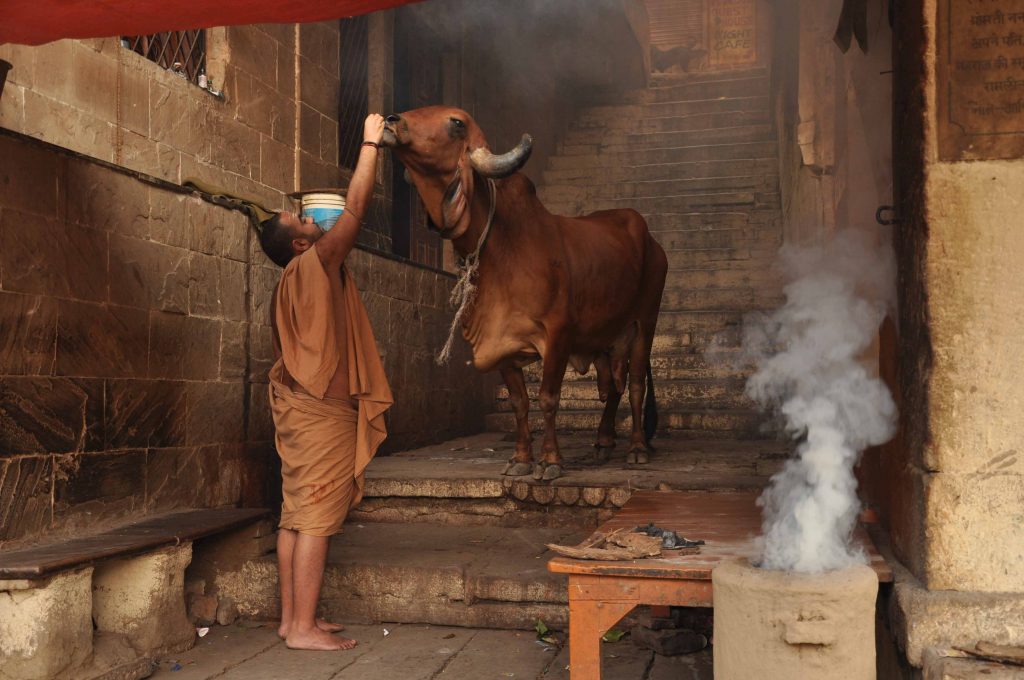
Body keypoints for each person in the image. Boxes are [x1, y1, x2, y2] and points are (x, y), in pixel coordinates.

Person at [258, 113, 393, 651]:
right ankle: (303, 631)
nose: (312, 218)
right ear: (298, 244)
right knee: (313, 518)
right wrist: (369, 140)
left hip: (300, 414)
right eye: (303, 219)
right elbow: (355, 210)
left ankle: (293, 620)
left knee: (296, 517)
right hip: (319, 415)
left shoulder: (292, 278)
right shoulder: (314, 263)